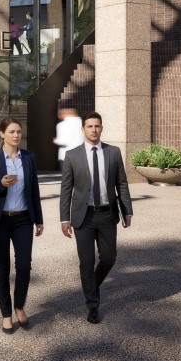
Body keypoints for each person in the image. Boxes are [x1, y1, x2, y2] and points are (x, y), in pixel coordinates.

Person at [59, 111, 132, 324]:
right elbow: (66, 190)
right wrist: (65, 219)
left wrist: (127, 210)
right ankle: (93, 305)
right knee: (87, 262)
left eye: (97, 126)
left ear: (102, 128)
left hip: (108, 214)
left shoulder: (113, 152)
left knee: (109, 258)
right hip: (84, 216)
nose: (94, 130)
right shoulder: (72, 155)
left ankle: (91, 286)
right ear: (83, 129)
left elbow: (122, 184)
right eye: (90, 126)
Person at [0, 117, 44, 334]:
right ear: (2, 134)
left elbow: (34, 189)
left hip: (24, 219)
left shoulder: (28, 157)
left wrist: (39, 219)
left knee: (24, 265)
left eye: (18, 132)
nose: (16, 135)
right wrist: (1, 184)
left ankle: (19, 306)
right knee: (2, 268)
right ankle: (6, 314)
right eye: (11, 132)